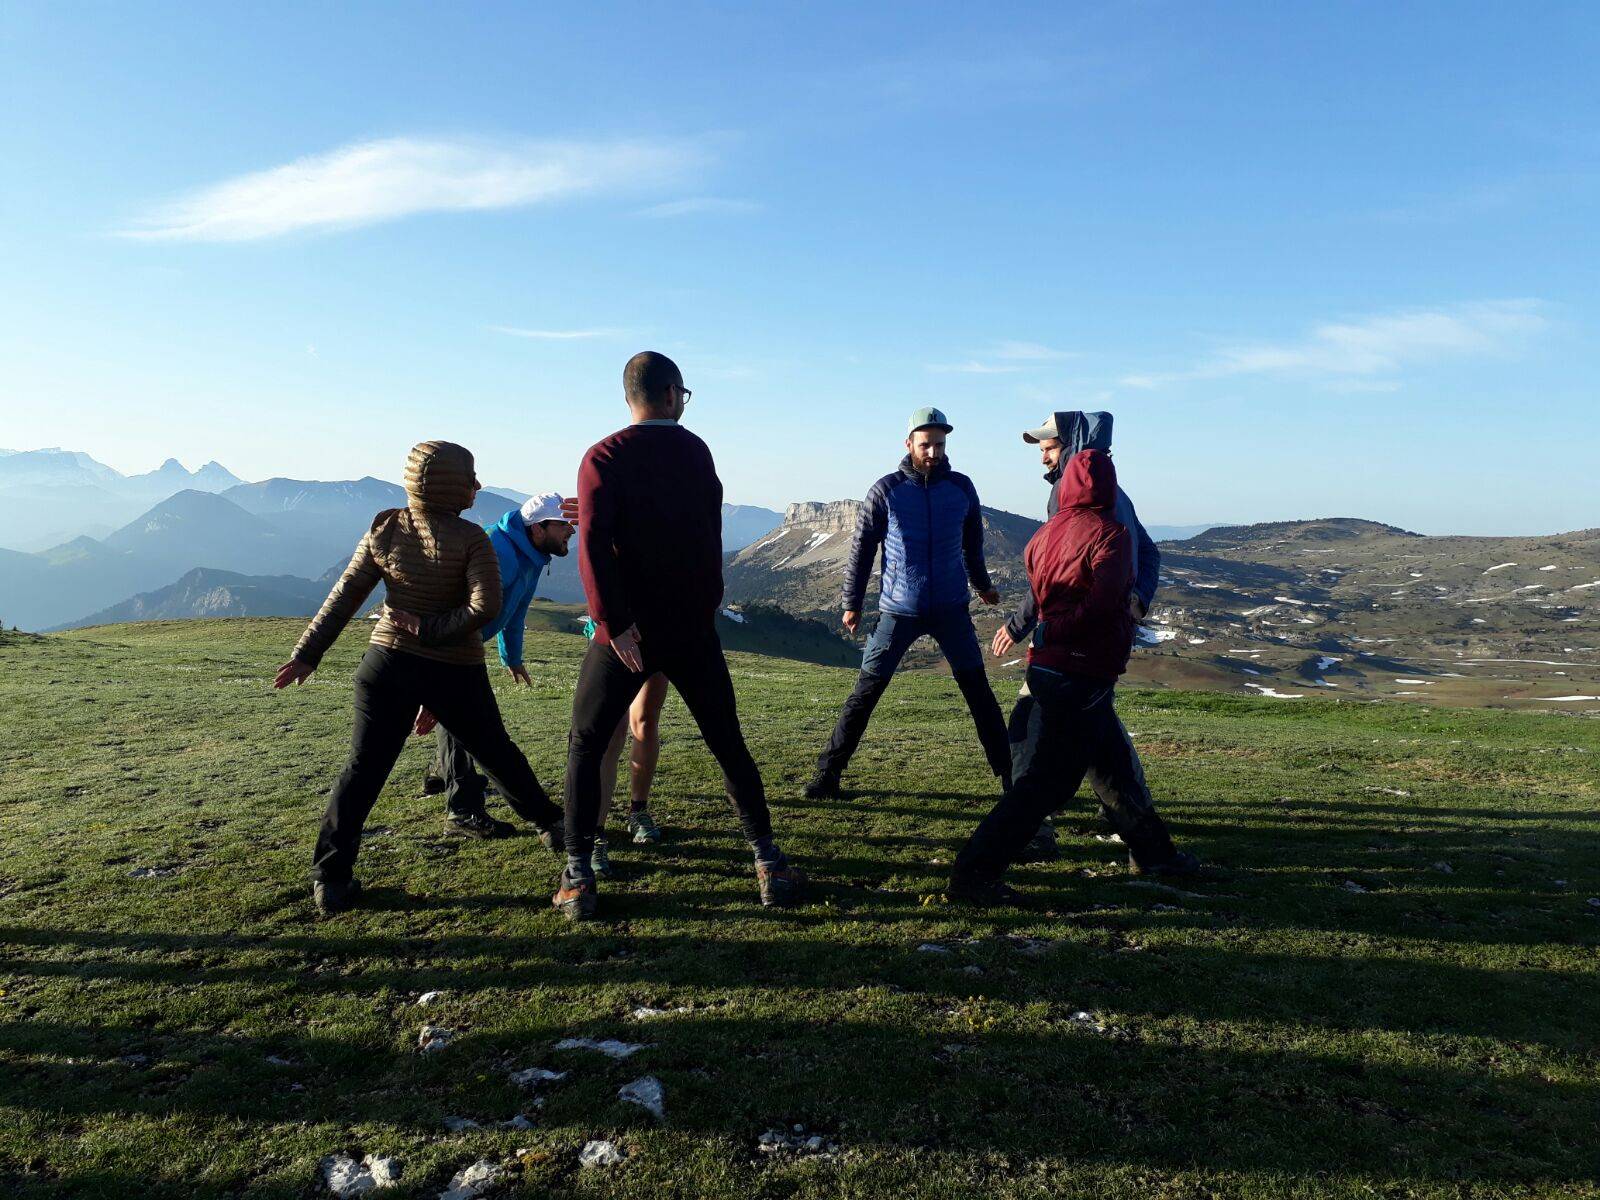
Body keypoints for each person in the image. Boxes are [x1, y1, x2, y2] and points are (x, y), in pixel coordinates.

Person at [553, 351, 807, 920]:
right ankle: (767, 861)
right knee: (726, 740)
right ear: (671, 394)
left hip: (625, 635)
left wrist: (613, 622)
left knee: (587, 743)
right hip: (690, 629)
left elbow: (593, 545)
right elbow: (707, 536)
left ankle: (578, 874)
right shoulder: (695, 451)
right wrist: (702, 610)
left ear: (629, 398)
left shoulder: (603, 456)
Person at [274, 440, 566, 916]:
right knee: (496, 752)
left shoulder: (384, 528)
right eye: (470, 477)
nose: (477, 485)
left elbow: (345, 594)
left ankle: (330, 879)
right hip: (453, 667)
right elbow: (485, 608)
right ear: (451, 484)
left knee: (362, 770)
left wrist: (308, 653)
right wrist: (432, 630)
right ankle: (556, 828)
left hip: (386, 662)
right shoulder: (473, 539)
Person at [951, 449, 1199, 905]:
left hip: (1052, 666)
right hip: (1082, 667)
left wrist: (1042, 631)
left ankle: (1154, 853)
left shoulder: (1044, 534)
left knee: (1112, 766)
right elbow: (1105, 604)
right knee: (1048, 784)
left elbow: (1041, 594)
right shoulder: (1113, 534)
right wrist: (1060, 629)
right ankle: (973, 874)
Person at [803, 407, 1010, 800]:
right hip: (898, 611)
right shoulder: (886, 490)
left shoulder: (962, 488)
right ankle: (827, 775)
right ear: (909, 443)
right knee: (866, 691)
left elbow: (972, 546)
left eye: (940, 444)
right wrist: (853, 603)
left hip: (951, 609)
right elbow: (862, 549)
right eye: (926, 444)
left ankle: (1010, 780)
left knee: (979, 693)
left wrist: (982, 585)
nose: (933, 452)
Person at [990, 411, 1160, 862]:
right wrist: (1138, 599)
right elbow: (1146, 550)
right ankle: (1148, 846)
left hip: (1069, 647)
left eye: (1047, 447)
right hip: (1098, 649)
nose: (1042, 457)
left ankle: (1025, 835)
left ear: (1069, 447)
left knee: (1029, 734)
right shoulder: (1114, 492)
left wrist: (1029, 626)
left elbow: (1055, 577)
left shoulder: (1071, 499)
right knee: (1104, 745)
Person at [421, 492, 580, 840]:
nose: (572, 532)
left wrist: (512, 657)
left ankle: (444, 775)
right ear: (540, 527)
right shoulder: (499, 551)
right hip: (452, 646)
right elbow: (458, 605)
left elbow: (516, 610)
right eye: (566, 526)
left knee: (463, 723)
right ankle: (465, 810)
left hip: (462, 647)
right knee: (479, 730)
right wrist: (440, 671)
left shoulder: (532, 555)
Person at [583, 613, 669, 878]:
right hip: (613, 631)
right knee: (610, 734)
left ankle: (638, 811)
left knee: (645, 721)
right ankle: (594, 835)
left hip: (660, 634)